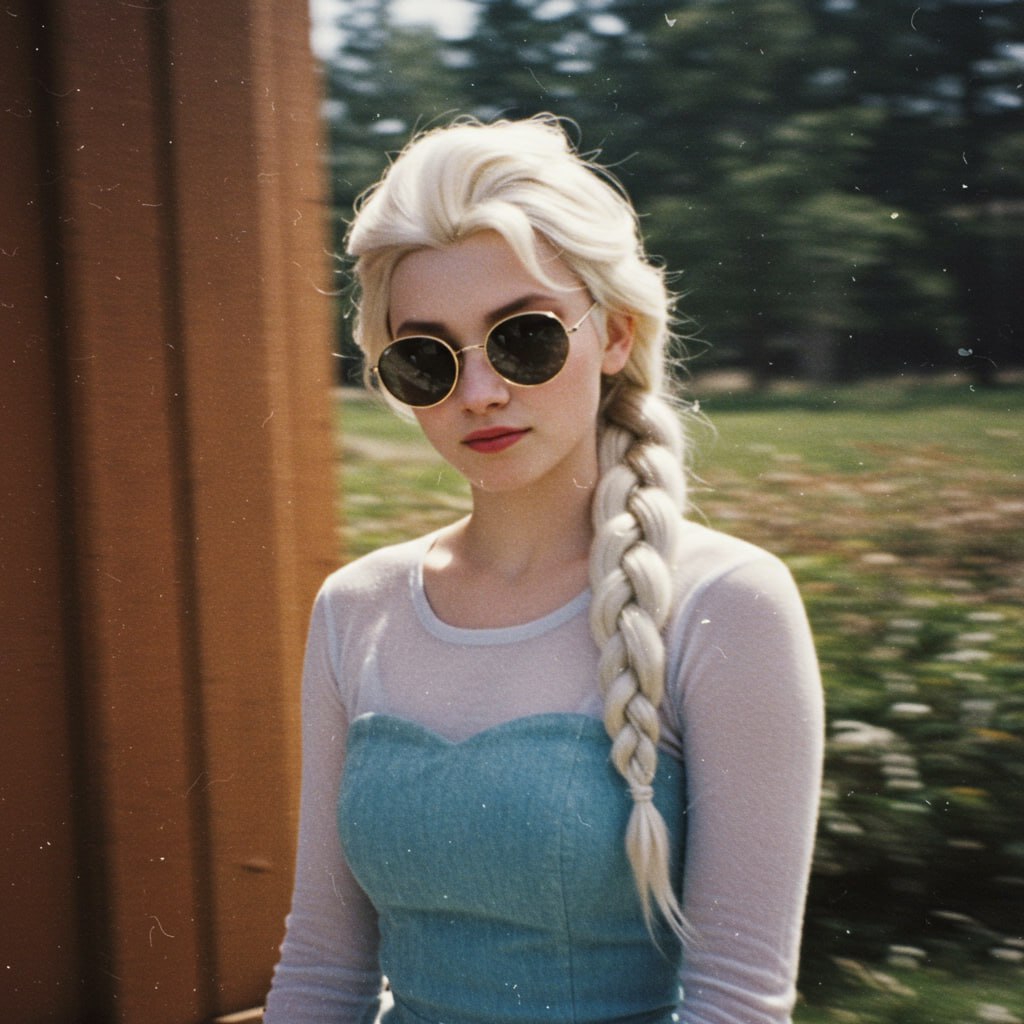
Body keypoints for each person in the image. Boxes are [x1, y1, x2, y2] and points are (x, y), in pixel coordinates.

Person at [264, 114, 824, 1024]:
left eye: (523, 338)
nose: (480, 393)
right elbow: (323, 970)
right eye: (426, 359)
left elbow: (737, 1004)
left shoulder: (726, 604)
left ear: (617, 334)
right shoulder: (355, 607)